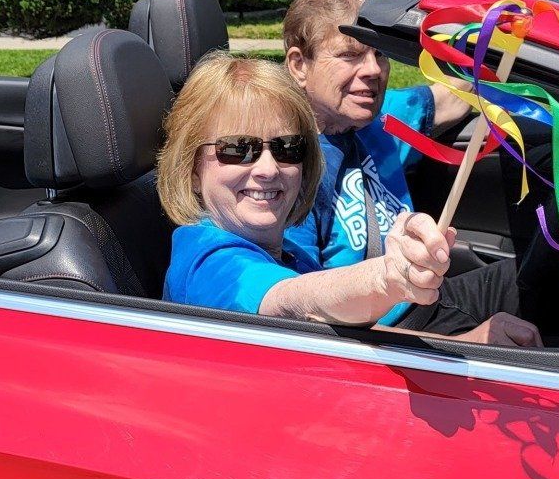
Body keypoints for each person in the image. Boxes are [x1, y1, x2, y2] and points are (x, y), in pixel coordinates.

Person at [281, 0, 539, 340]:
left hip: (426, 300)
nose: (373, 70)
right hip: (381, 337)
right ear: (299, 64)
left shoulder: (382, 118)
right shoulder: (288, 169)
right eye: (349, 54)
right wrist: (464, 344)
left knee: (547, 275)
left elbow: (465, 89)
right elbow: (313, 325)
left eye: (378, 53)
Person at [160, 54, 538, 345]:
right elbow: (292, 301)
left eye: (287, 148)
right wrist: (391, 274)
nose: (268, 168)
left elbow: (349, 338)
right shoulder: (207, 259)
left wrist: (465, 345)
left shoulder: (284, 249)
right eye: (238, 149)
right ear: (192, 168)